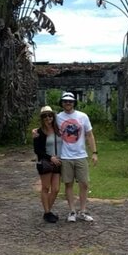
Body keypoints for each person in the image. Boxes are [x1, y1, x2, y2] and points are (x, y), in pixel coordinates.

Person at [56, 92, 98, 222]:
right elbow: (47, 128)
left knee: (84, 183)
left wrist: (94, 152)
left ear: (74, 103)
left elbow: (90, 135)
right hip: (65, 156)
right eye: (65, 101)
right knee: (68, 184)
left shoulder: (82, 116)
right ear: (62, 103)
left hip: (81, 155)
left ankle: (83, 210)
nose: (68, 103)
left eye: (70, 101)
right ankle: (72, 211)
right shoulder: (57, 117)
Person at [33, 106, 62, 223]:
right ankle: (47, 212)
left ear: (53, 116)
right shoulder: (39, 132)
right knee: (46, 187)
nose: (48, 118)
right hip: (46, 162)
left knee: (56, 189)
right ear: (42, 118)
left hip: (58, 162)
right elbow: (37, 150)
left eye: (50, 115)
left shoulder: (58, 130)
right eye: (45, 116)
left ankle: (47, 211)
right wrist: (50, 158)